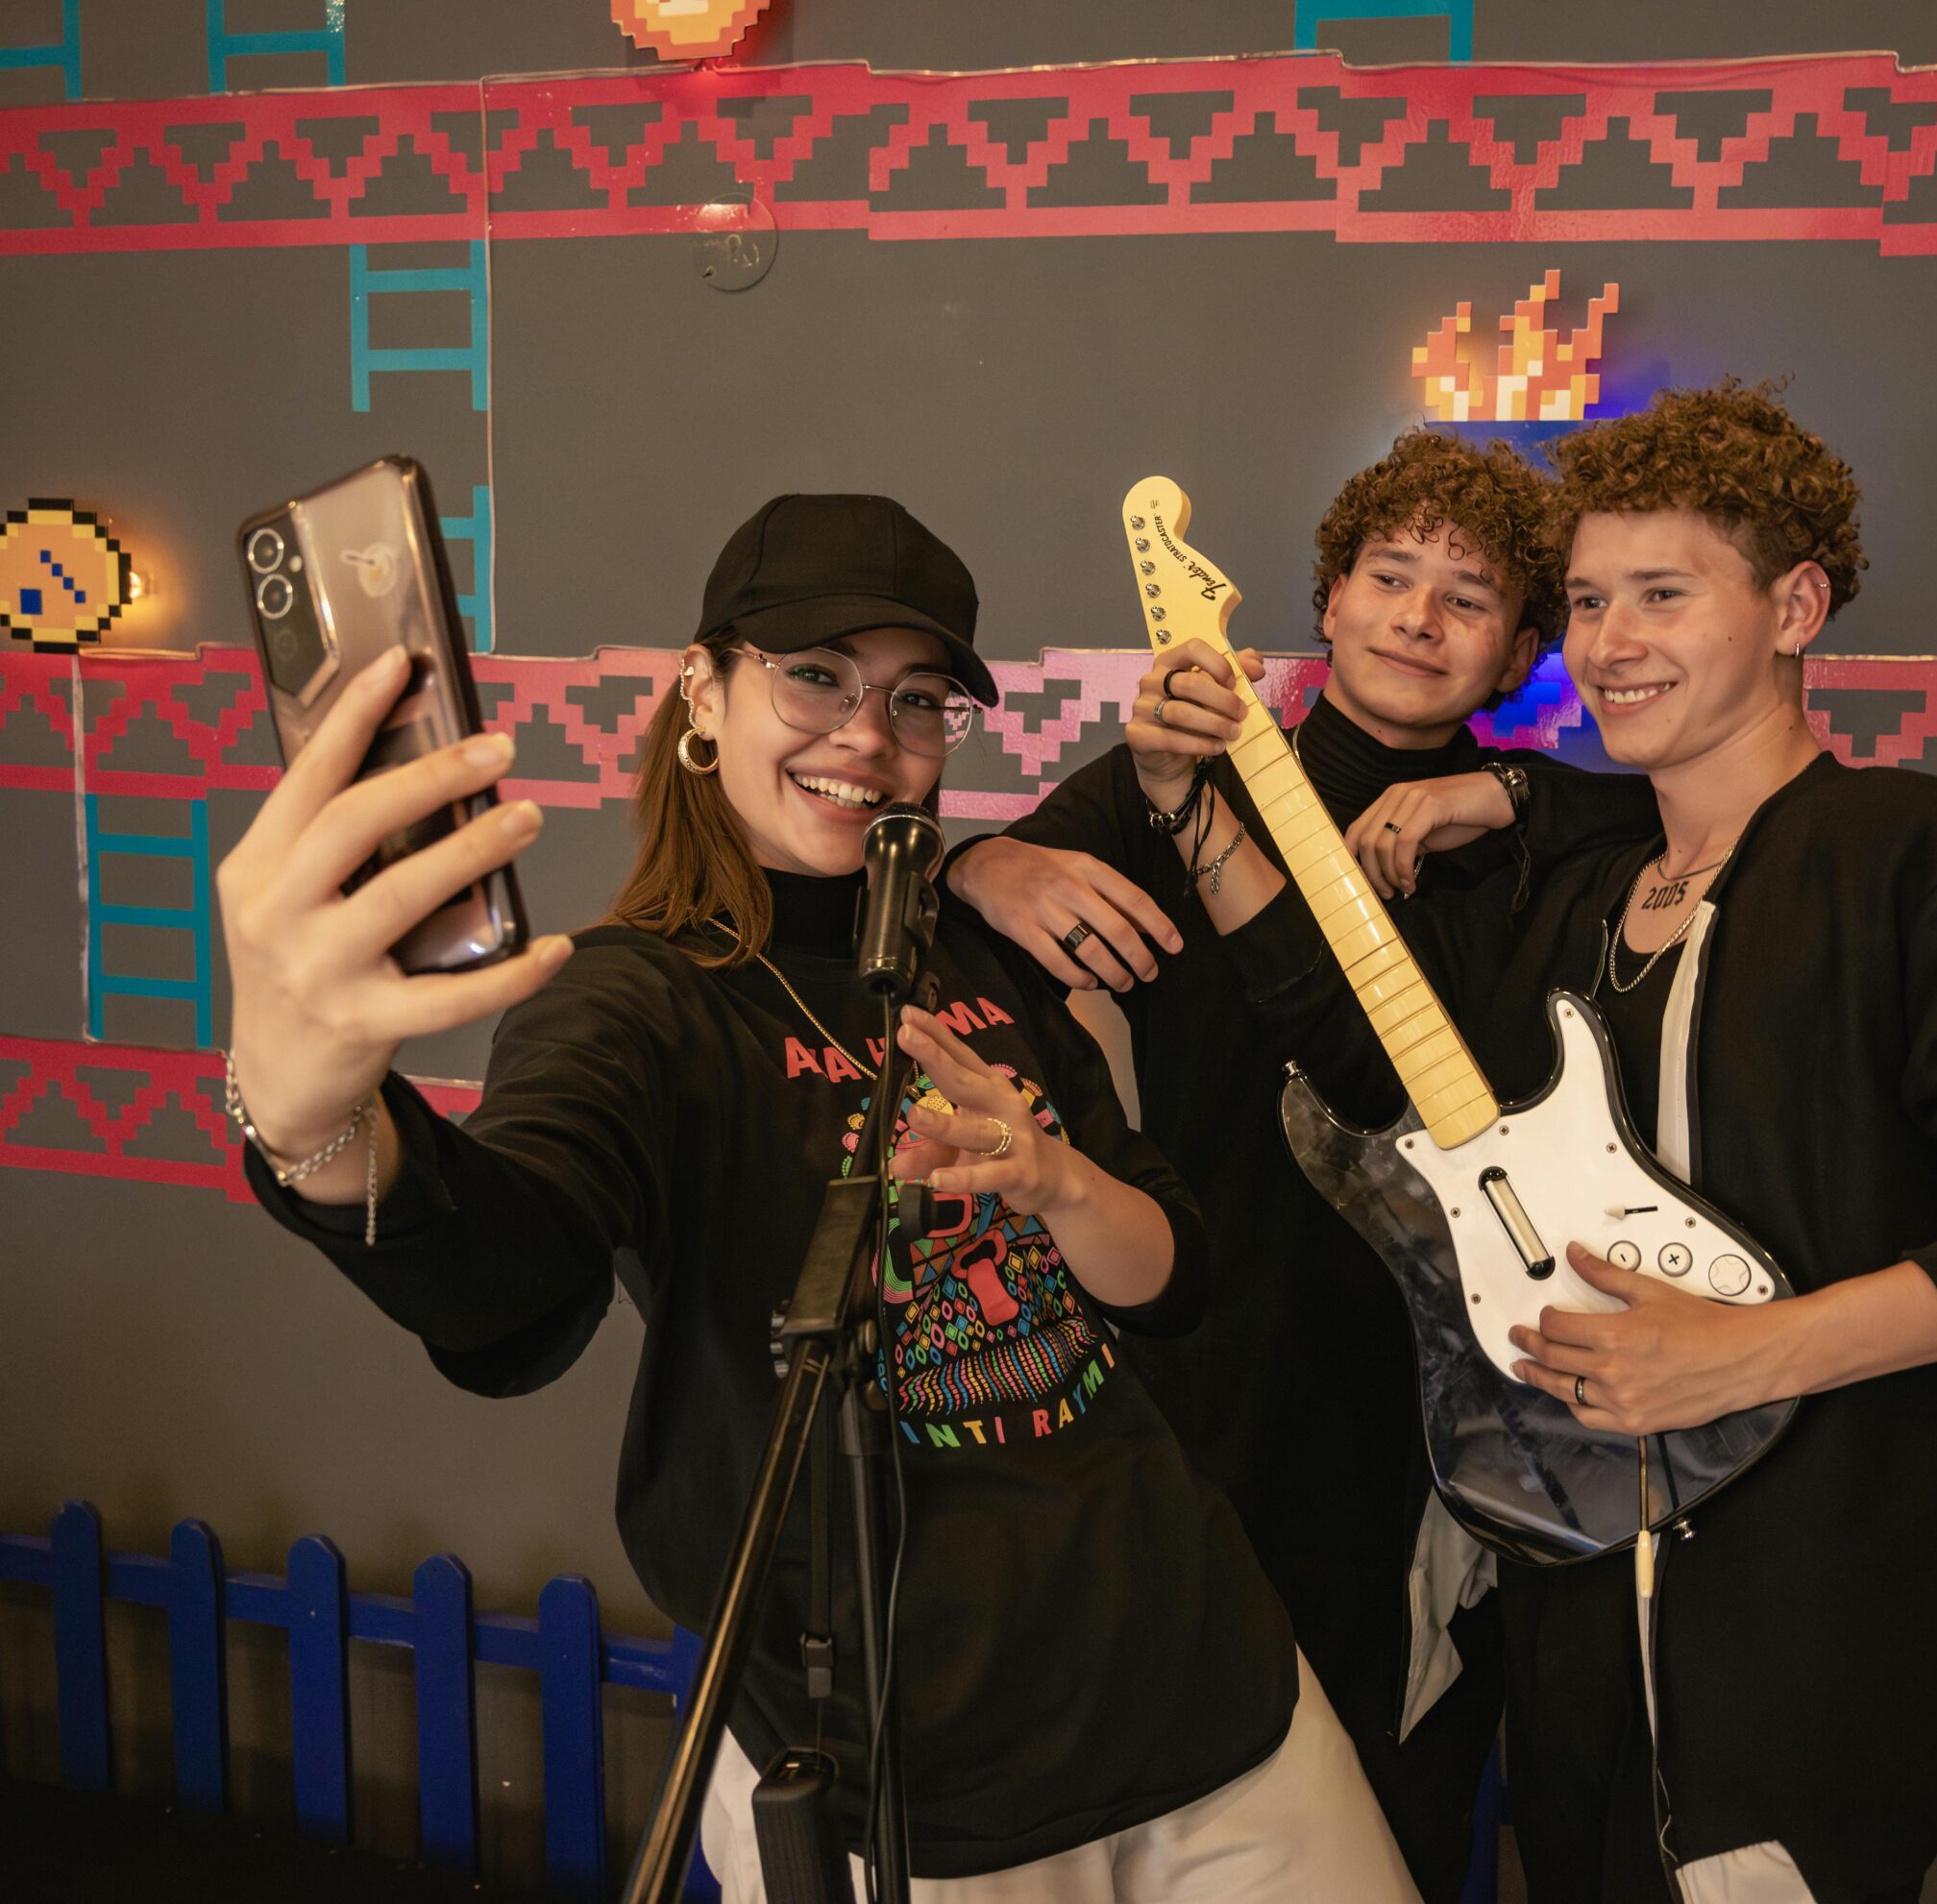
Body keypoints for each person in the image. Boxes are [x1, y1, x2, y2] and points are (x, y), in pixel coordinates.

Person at [213, 494, 1416, 1903]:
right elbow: (506, 1281)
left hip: (1220, 1701)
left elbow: (1172, 1278)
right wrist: (311, 1120)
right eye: (815, 676)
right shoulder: (636, 1000)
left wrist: (1055, 1180)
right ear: (701, 692)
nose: (868, 736)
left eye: (916, 698)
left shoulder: (978, 943)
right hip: (911, 1780)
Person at [1150, 384, 1937, 1903]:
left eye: (1664, 593)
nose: (1611, 640)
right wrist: (1203, 812)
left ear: (1795, 605)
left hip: (1804, 1665)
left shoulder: (1930, 865)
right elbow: (1383, 1075)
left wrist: (1756, 1348)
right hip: (1568, 1643)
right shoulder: (1587, 901)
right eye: (1587, 600)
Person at [944, 430, 1656, 1901]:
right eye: (1389, 576)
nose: (1418, 615)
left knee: (1388, 1825)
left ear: (1525, 648)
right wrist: (973, 863)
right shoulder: (1168, 774)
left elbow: (1674, 815)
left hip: (1430, 1421)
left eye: (1469, 597)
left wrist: (1508, 796)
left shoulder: (1535, 846)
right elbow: (944, 926)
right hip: (1201, 1363)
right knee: (1171, 1804)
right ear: (1324, 599)